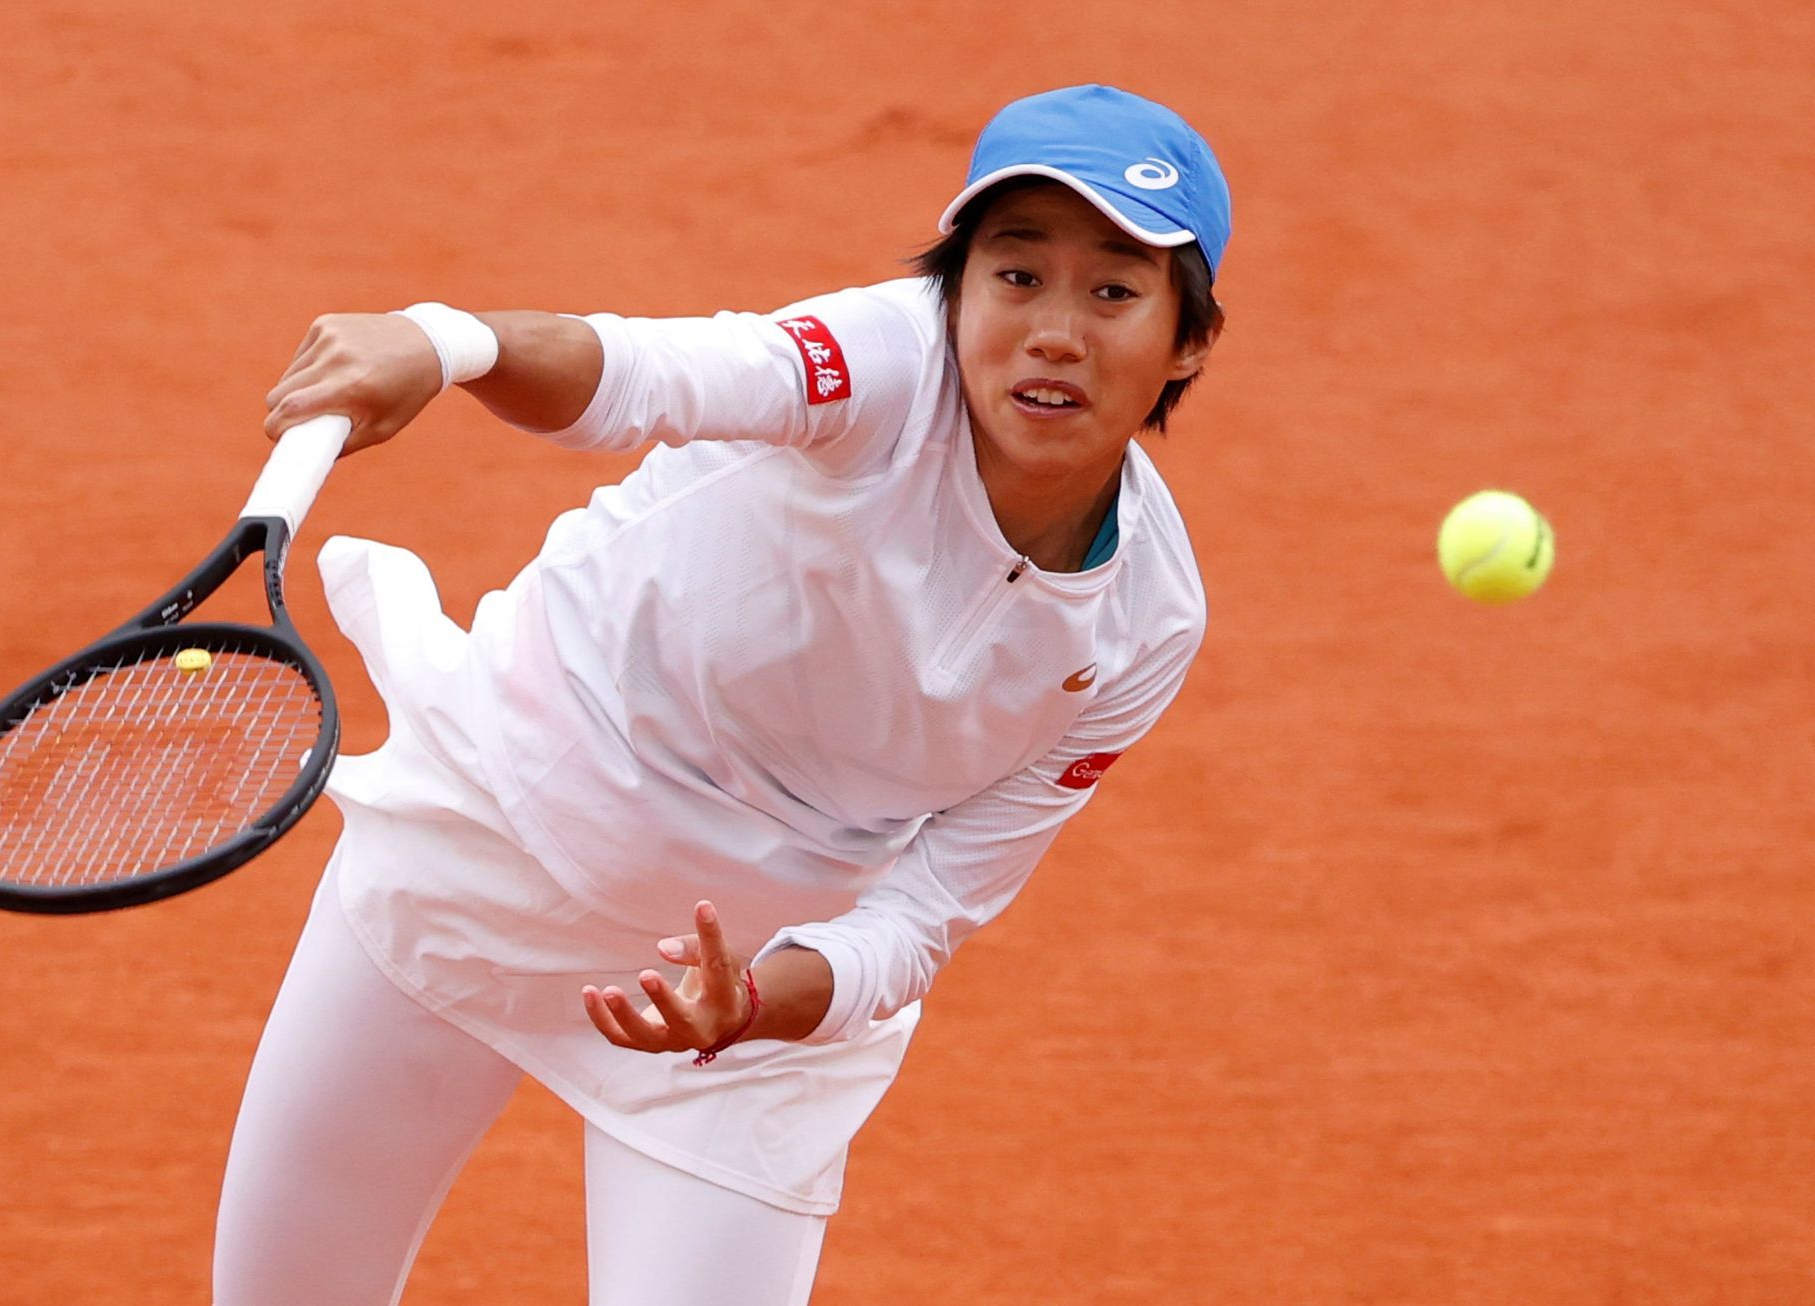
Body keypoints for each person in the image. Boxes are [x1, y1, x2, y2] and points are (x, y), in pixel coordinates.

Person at [214, 83, 1231, 1306]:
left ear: (1185, 342)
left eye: (1113, 291)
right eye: (1015, 277)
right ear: (952, 296)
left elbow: (928, 910)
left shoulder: (1147, 624)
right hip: (495, 830)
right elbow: (651, 373)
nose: (1055, 330)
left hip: (742, 988)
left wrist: (759, 998)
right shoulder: (875, 362)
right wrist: (447, 340)